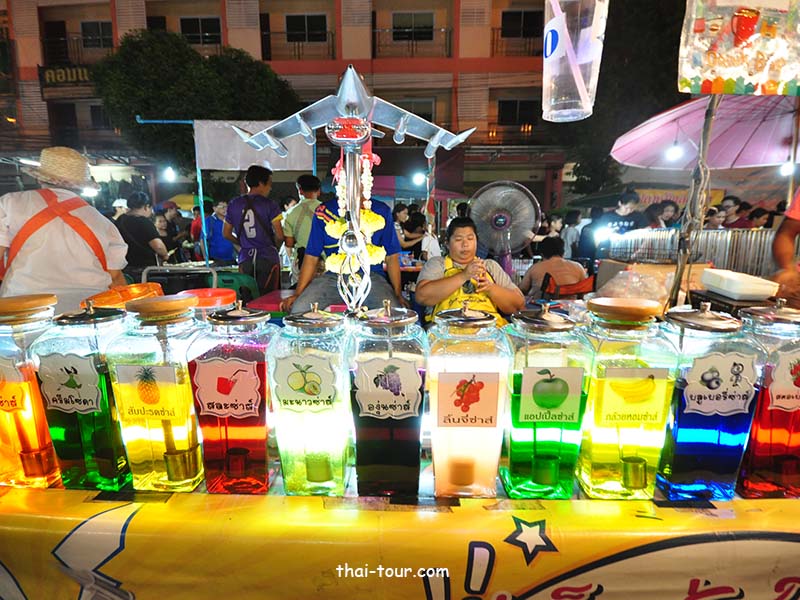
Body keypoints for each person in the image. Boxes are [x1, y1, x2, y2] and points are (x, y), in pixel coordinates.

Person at [0, 146, 127, 312]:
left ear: (39, 178)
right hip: (88, 311)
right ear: (81, 186)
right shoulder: (103, 223)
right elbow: (115, 277)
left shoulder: (10, 204)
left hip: (23, 310)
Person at [280, 194, 405, 314]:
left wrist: (398, 294)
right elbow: (312, 256)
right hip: (333, 277)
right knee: (299, 309)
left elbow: (391, 256)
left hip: (372, 277)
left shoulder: (381, 210)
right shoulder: (324, 211)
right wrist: (298, 293)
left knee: (393, 313)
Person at [414, 217, 524, 326]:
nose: (465, 244)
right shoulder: (438, 264)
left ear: (477, 241)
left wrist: (490, 288)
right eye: (458, 240)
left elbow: (518, 306)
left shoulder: (490, 266)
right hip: (448, 330)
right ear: (447, 243)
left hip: (489, 330)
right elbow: (421, 297)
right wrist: (463, 276)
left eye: (470, 239)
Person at [223, 165, 284, 294]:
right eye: (269, 184)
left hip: (245, 259)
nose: (270, 188)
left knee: (247, 297)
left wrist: (243, 243)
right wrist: (275, 246)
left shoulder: (234, 204)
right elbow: (279, 235)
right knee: (269, 297)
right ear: (261, 183)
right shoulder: (270, 205)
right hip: (268, 258)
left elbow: (226, 233)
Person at [116, 191, 170, 280]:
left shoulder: (120, 221)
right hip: (144, 270)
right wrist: (165, 255)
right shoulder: (144, 222)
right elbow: (158, 246)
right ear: (146, 207)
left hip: (124, 269)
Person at [519, 237, 587, 300]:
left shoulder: (535, 268)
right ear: (563, 252)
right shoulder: (578, 267)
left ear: (542, 254)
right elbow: (583, 292)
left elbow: (522, 290)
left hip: (541, 306)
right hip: (570, 307)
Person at [283, 174, 322, 273]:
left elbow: (289, 243)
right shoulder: (327, 210)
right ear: (318, 191)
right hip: (325, 262)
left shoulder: (290, 214)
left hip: (301, 262)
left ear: (300, 190)